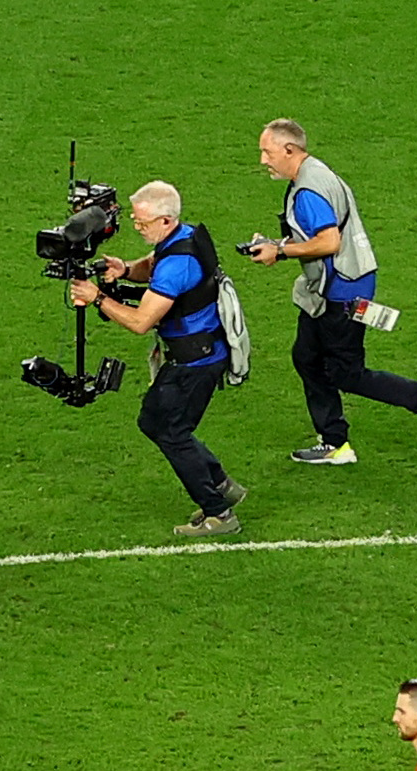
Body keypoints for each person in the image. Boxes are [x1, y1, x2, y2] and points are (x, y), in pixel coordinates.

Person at [239, 120, 417, 466]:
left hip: (341, 292)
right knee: (307, 357)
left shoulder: (308, 191)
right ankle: (334, 442)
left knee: (346, 372)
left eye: (267, 152)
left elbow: (329, 241)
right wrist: (276, 244)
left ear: (289, 150)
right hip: (335, 288)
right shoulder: (315, 173)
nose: (263, 160)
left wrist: (279, 252)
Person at [70, 183, 247, 538]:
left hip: (195, 361)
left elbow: (140, 322)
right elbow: (151, 265)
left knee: (170, 429)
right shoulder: (187, 236)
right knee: (157, 421)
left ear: (166, 220)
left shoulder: (177, 265)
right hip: (201, 352)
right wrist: (125, 270)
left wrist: (96, 298)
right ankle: (221, 485)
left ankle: (220, 513)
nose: (137, 227)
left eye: (142, 222)